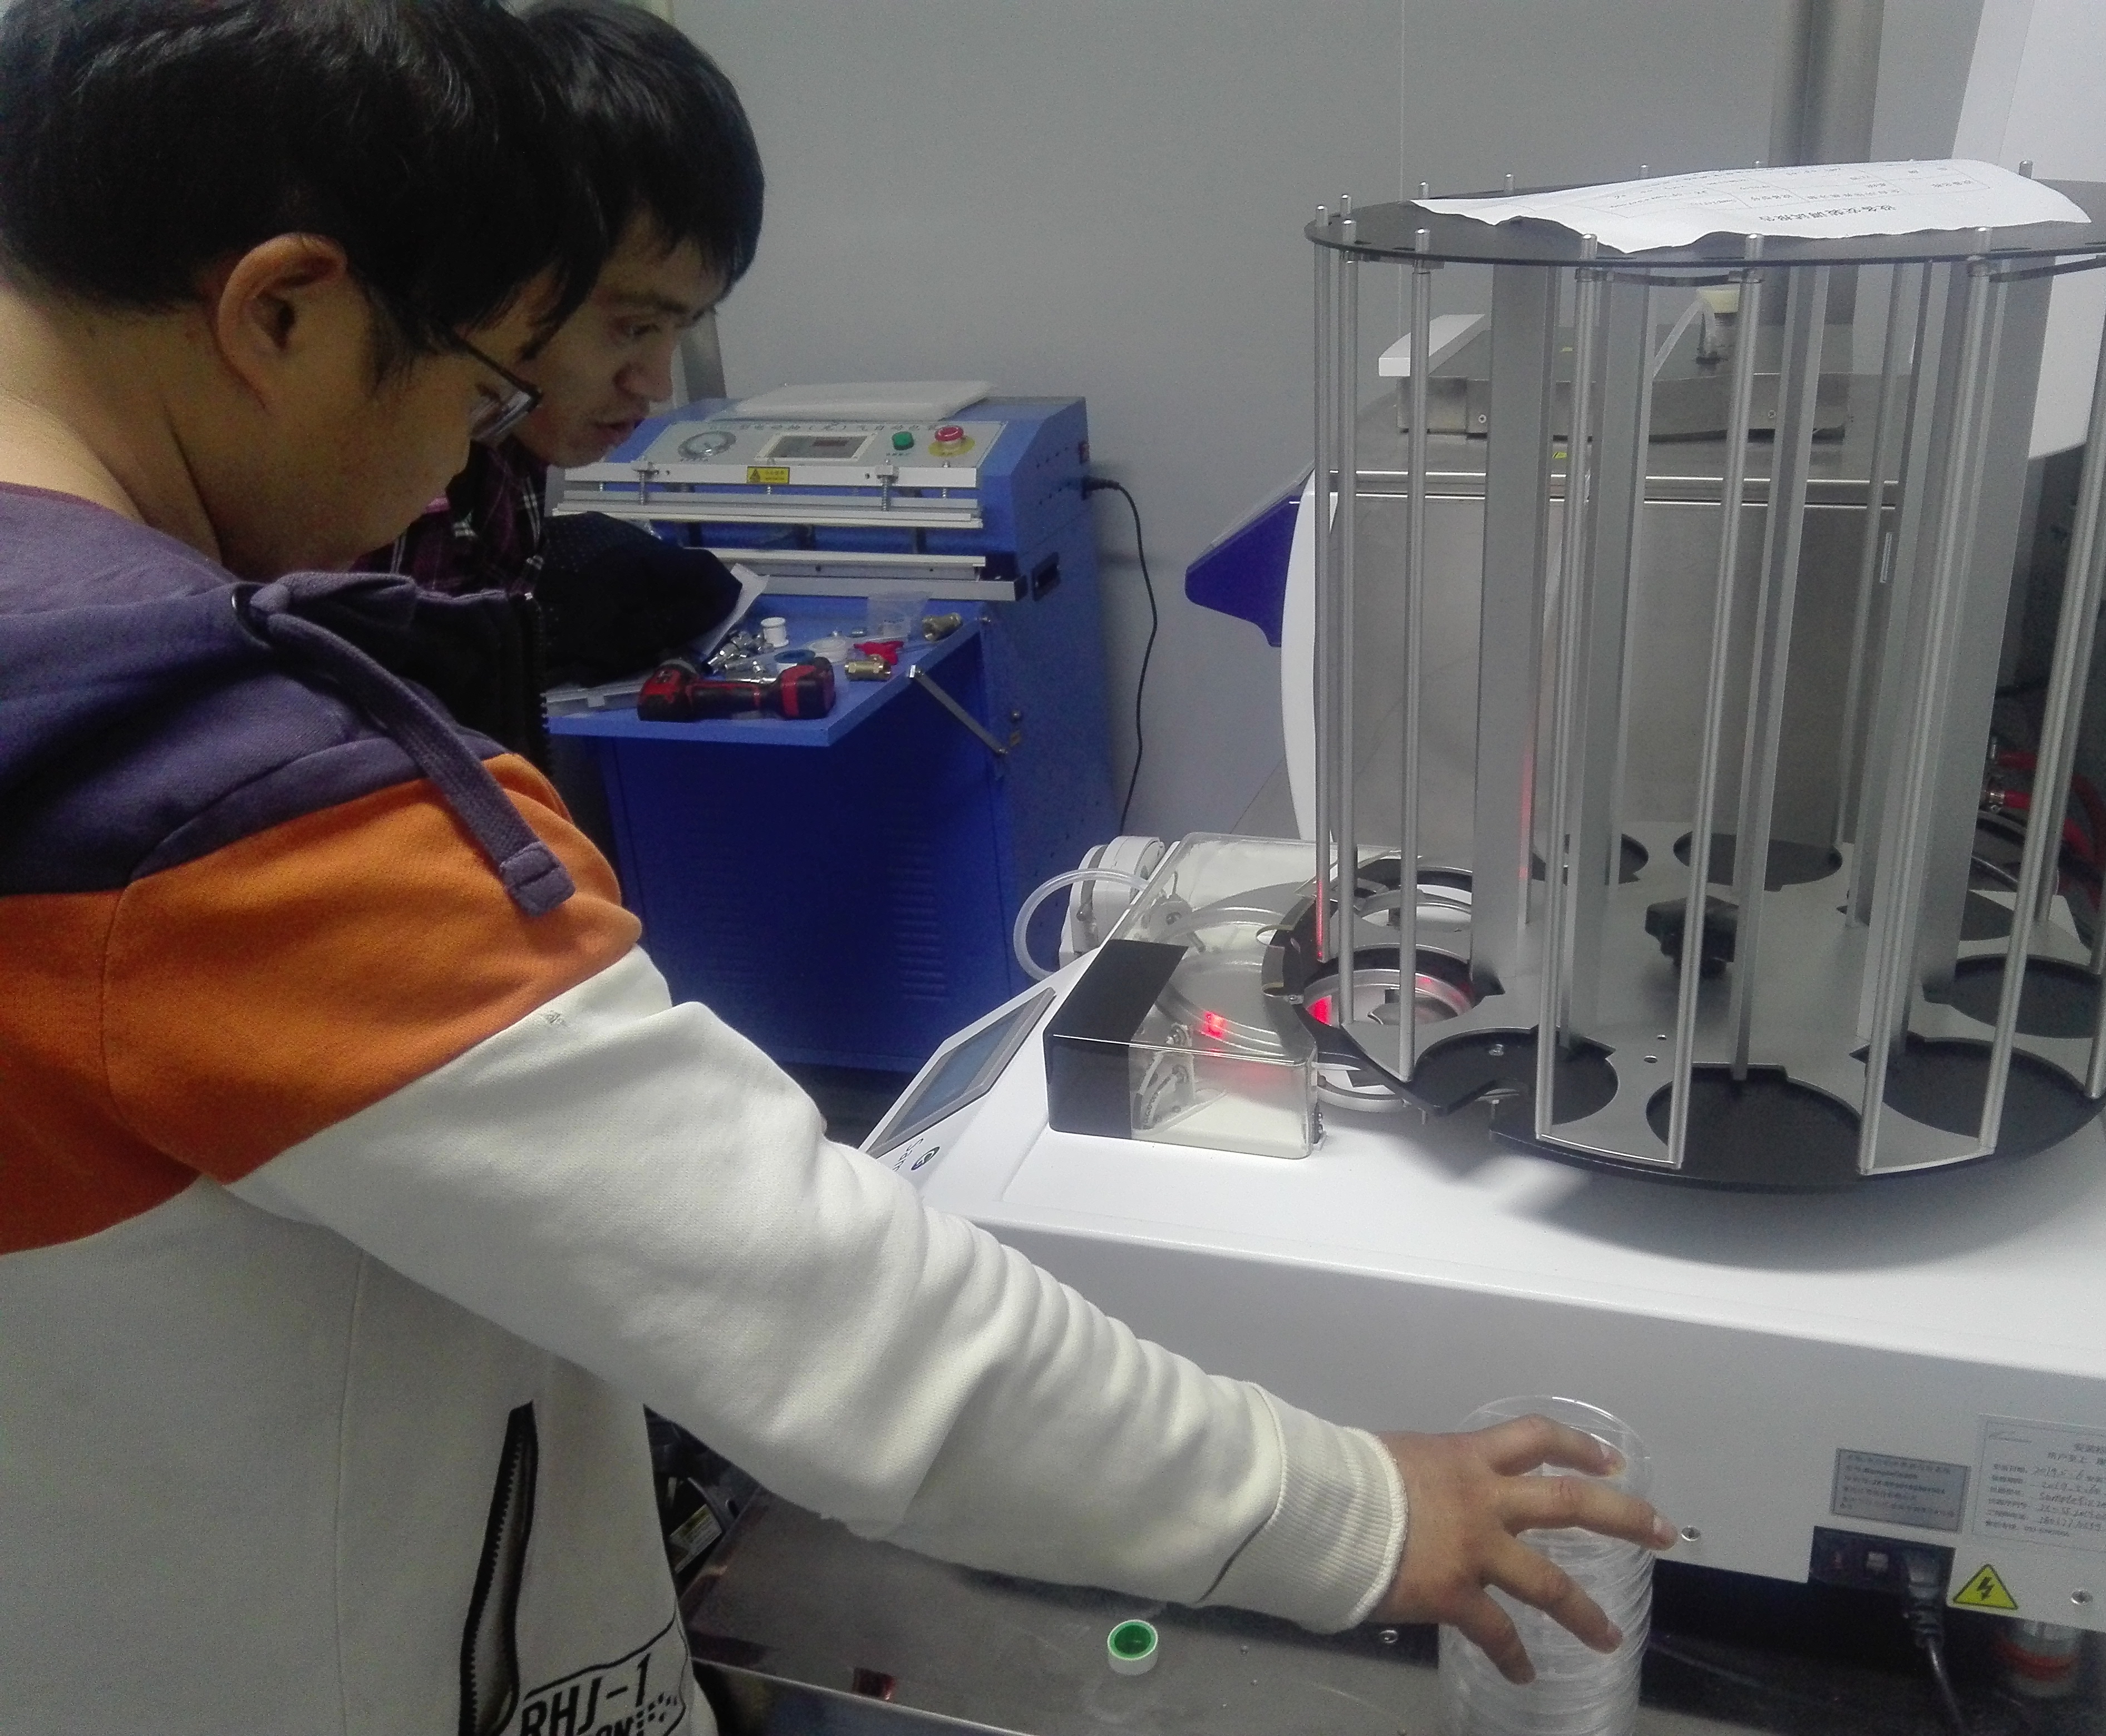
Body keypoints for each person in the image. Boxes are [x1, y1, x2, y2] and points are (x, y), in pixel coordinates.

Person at [0, 3, 1675, 1732]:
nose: (465, 458)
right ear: (284, 310)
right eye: (487, 389)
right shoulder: (209, 794)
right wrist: (1355, 1508)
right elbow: (826, 1319)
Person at [360, 0, 758, 603]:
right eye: (633, 327)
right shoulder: (388, 500)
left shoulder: (513, 446)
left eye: (687, 324)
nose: (654, 385)